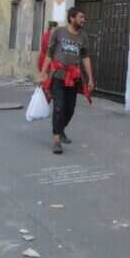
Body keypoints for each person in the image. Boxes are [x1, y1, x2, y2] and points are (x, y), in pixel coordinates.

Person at [39, 8, 94, 154]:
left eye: (84, 18)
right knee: (59, 107)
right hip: (58, 76)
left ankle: (60, 129)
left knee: (70, 109)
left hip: (74, 78)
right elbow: (49, 53)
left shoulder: (83, 36)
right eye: (81, 17)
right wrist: (43, 72)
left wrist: (90, 78)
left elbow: (85, 57)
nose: (83, 20)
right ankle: (57, 140)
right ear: (72, 18)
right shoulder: (58, 32)